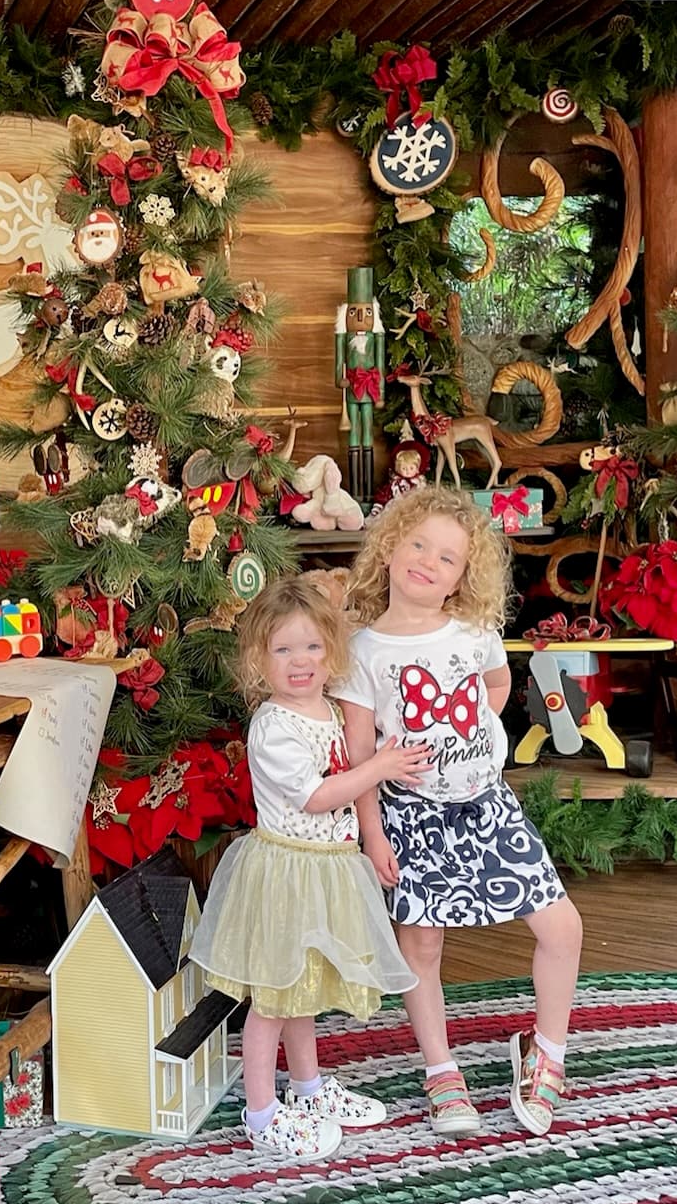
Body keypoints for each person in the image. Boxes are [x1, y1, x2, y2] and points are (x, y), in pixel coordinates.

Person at [339, 486, 583, 1139]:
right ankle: (441, 1071)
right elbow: (360, 750)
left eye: (446, 557)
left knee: (561, 927)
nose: (427, 561)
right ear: (389, 546)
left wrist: (475, 739)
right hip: (411, 814)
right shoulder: (363, 651)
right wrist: (372, 832)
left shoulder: (472, 634)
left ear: (462, 576)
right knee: (421, 941)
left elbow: (497, 685)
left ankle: (546, 1055)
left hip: (486, 805)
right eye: (418, 543)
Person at [189, 576, 422, 1162]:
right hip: (287, 873)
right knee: (273, 997)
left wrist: (375, 802)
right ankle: (262, 1112)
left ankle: (309, 1089)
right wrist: (382, 767)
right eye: (283, 650)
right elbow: (317, 796)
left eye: (313, 647)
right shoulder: (273, 725)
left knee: (305, 986)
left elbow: (346, 774)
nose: (300, 662)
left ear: (332, 652)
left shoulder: (327, 709)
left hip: (328, 868)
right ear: (258, 660)